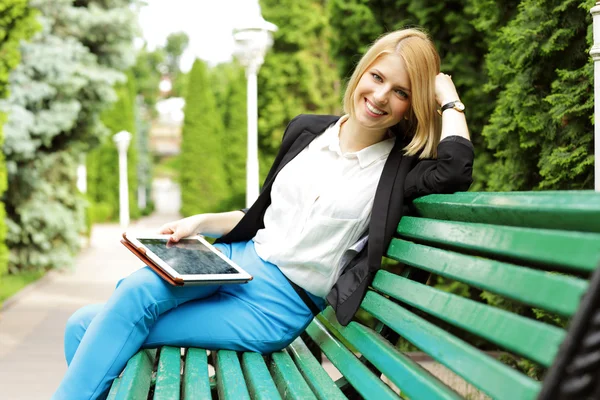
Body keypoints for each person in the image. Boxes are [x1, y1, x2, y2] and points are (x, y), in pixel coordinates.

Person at [53, 28, 473, 399]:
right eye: (377, 77)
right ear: (361, 73)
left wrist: (449, 99)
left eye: (400, 92)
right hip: (234, 263)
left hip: (277, 304)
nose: (381, 96)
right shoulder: (307, 130)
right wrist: (199, 223)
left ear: (411, 104)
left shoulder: (398, 170)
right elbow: (262, 214)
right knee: (89, 317)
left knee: (97, 325)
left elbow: (457, 168)